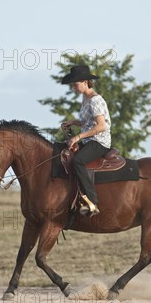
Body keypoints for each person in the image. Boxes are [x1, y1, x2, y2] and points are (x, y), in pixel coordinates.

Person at [61, 65, 112, 217]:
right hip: (89, 139)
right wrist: (73, 122)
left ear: (85, 82)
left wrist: (78, 137)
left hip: (99, 141)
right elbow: (88, 123)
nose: (73, 87)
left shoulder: (95, 100)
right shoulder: (85, 99)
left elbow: (101, 126)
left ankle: (92, 201)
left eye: (75, 84)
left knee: (78, 161)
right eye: (72, 84)